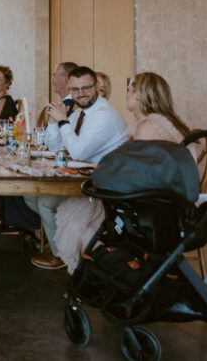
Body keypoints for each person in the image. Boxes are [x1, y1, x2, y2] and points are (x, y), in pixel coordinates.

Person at [52, 72, 196, 273]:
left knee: (80, 220)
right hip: (160, 194)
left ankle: (101, 274)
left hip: (157, 203)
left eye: (129, 90)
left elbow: (135, 173)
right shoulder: (152, 122)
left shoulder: (149, 127)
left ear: (139, 95)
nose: (126, 94)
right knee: (79, 211)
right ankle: (98, 272)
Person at [27, 65, 128, 269]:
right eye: (75, 90)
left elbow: (78, 151)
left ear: (96, 87)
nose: (81, 94)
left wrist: (63, 122)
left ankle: (62, 255)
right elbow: (56, 146)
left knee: (45, 201)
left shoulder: (104, 115)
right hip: (79, 177)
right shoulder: (81, 113)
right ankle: (64, 244)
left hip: (101, 185)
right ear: (69, 89)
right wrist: (55, 121)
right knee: (30, 195)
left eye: (86, 88)